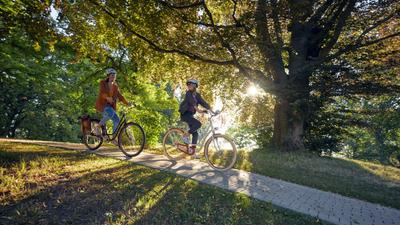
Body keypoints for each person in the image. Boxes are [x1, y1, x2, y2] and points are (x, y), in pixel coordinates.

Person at [179, 79, 213, 154]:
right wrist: (199, 110)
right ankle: (185, 136)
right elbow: (192, 102)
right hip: (185, 114)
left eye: (190, 84)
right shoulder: (188, 93)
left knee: (195, 132)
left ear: (195, 86)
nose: (188, 86)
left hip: (190, 115)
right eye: (188, 85)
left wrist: (211, 110)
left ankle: (192, 150)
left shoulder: (197, 95)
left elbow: (203, 102)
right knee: (198, 124)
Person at [95, 68, 129, 141]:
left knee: (117, 119)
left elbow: (120, 96)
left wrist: (127, 103)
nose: (113, 77)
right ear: (108, 76)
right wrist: (107, 97)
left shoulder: (115, 87)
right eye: (112, 75)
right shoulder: (103, 83)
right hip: (102, 105)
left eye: (115, 75)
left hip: (110, 106)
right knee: (110, 114)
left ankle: (113, 138)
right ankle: (97, 127)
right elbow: (101, 93)